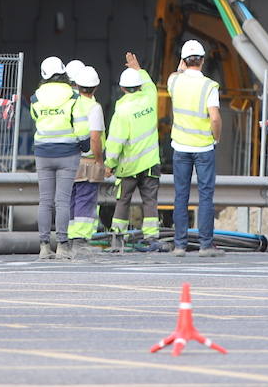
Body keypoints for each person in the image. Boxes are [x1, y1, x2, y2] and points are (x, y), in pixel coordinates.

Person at [32, 55, 91, 259]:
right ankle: (63, 246)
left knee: (45, 200)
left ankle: (43, 246)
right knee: (62, 201)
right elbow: (82, 126)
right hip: (68, 153)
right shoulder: (74, 96)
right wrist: (84, 145)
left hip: (43, 153)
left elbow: (35, 118)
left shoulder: (36, 97)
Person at [167, 39, 222, 257]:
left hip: (180, 146)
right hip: (204, 148)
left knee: (181, 195)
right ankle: (205, 245)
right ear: (202, 60)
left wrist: (180, 67)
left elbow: (175, 74)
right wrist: (215, 138)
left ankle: (179, 245)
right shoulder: (209, 86)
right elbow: (215, 118)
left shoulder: (174, 82)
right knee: (205, 196)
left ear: (183, 60)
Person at [105, 51, 160, 252]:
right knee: (150, 201)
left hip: (128, 166)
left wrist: (109, 164)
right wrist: (139, 70)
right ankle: (151, 238)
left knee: (123, 201)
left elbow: (115, 141)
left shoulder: (122, 110)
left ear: (121, 88)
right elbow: (150, 84)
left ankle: (118, 238)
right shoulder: (150, 97)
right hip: (151, 163)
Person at [65, 64, 106, 255]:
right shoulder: (94, 107)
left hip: (68, 158)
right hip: (88, 160)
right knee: (85, 198)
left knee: (71, 198)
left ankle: (69, 237)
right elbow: (95, 137)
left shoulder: (70, 104)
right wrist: (100, 161)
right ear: (96, 87)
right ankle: (80, 240)